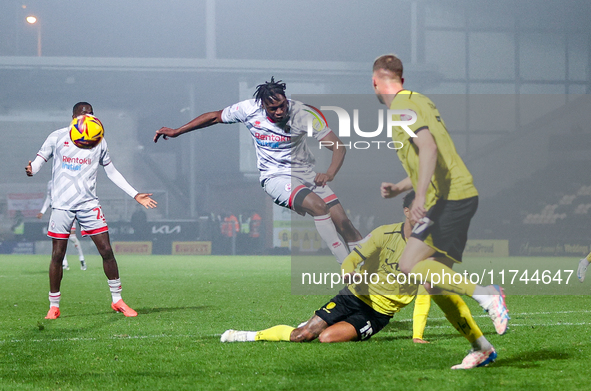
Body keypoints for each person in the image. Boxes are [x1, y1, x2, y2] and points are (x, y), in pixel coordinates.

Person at [221, 191, 498, 369]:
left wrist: (416, 336)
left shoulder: (431, 247)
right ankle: (246, 335)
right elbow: (355, 256)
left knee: (327, 339)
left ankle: (484, 308)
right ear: (405, 211)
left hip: (378, 313)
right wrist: (349, 268)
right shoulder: (384, 234)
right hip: (352, 295)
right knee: (302, 335)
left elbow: (428, 294)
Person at [154, 77, 363, 263]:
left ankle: (368, 270)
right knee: (318, 207)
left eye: (282, 105)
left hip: (305, 174)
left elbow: (338, 146)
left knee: (345, 225)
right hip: (274, 177)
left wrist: (330, 173)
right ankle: (346, 265)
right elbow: (214, 117)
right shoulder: (248, 109)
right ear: (262, 105)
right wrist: (177, 131)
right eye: (273, 108)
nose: (280, 111)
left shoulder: (303, 114)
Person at [372, 54, 509, 335]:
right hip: (457, 194)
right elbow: (430, 159)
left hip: (449, 198)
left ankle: (487, 294)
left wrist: (419, 197)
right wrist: (400, 187)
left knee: (408, 264)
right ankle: (481, 348)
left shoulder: (400, 108)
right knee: (433, 282)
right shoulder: (420, 100)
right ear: (402, 79)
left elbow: (429, 148)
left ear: (375, 82)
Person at [26, 101, 157, 320]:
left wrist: (135, 194)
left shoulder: (98, 141)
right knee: (57, 255)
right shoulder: (57, 136)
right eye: (83, 114)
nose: (88, 118)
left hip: (89, 205)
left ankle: (118, 300)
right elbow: (39, 160)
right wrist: (32, 169)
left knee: (106, 251)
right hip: (62, 205)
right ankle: (54, 305)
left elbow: (112, 172)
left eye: (91, 114)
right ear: (74, 117)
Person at [38, 180, 86, 271]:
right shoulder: (51, 183)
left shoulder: (68, 180)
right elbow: (49, 197)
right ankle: (64, 263)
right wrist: (42, 211)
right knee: (60, 239)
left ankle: (82, 259)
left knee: (72, 237)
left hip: (69, 212)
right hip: (57, 213)